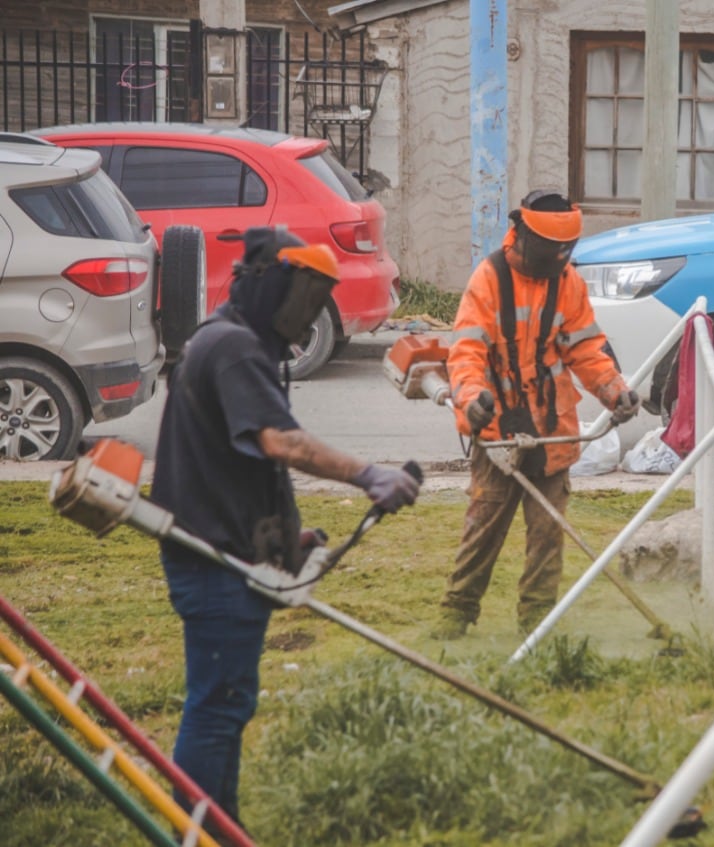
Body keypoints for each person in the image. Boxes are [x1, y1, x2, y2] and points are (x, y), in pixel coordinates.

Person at [150, 226, 421, 833]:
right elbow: (280, 441)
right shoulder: (235, 349)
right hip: (213, 562)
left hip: (228, 553)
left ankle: (220, 829)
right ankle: (192, 832)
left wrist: (283, 538)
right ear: (274, 284)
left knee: (228, 703)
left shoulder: (226, 341)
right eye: (306, 295)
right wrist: (367, 474)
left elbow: (234, 461)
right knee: (217, 708)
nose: (309, 313)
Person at [436, 190, 639, 638]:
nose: (558, 261)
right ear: (522, 235)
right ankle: (456, 614)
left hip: (550, 432)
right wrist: (473, 400)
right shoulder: (488, 280)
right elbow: (465, 351)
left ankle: (537, 624)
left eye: (564, 252)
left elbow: (586, 349)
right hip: (497, 431)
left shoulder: (567, 283)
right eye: (551, 251)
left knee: (548, 535)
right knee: (484, 528)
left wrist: (614, 392)